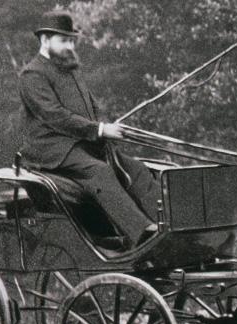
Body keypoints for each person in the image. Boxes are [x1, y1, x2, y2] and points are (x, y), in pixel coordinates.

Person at [18, 10, 159, 250]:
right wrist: (101, 130)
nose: (70, 46)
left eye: (72, 40)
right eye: (64, 40)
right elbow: (54, 116)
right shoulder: (33, 74)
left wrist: (105, 130)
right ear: (45, 40)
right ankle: (143, 235)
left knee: (136, 169)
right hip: (53, 151)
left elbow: (91, 107)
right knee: (99, 171)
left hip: (83, 143)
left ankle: (167, 224)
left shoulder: (70, 70)